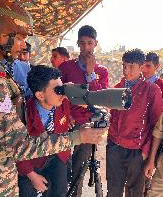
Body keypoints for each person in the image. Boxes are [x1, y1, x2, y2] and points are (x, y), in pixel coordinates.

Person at [0, 0, 106, 197]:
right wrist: (77, 137)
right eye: (19, 38)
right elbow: (18, 144)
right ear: (0, 36)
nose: (23, 44)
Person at [59, 25, 108, 197]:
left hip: (88, 125)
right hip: (66, 122)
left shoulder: (101, 71)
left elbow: (100, 98)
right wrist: (68, 115)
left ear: (96, 44)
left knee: (79, 166)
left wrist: (90, 72)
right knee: (61, 162)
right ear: (78, 44)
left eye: (89, 43)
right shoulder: (66, 68)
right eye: (82, 43)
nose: (86, 47)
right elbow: (59, 96)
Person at [106, 49, 163, 197]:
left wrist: (146, 153)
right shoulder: (118, 88)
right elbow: (112, 116)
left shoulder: (152, 90)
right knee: (113, 189)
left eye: (131, 66)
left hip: (137, 151)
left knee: (134, 192)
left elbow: (156, 125)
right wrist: (110, 143)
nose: (126, 70)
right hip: (115, 148)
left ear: (142, 67)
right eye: (124, 66)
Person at [17, 65, 71, 197]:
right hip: (31, 161)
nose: (62, 94)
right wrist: (31, 175)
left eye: (62, 88)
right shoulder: (23, 113)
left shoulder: (62, 103)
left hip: (57, 157)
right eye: (58, 90)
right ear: (40, 95)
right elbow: (17, 147)